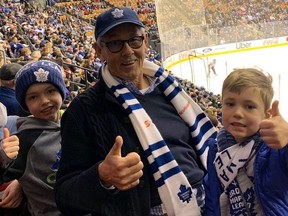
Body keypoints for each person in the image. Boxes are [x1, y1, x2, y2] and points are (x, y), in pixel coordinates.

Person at [55, 7, 217, 216]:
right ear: (98, 50)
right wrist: (101, 177)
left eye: (134, 40)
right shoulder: (84, 110)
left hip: (208, 203)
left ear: (146, 41)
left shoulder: (170, 90)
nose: (128, 51)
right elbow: (64, 195)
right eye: (114, 43)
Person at [204, 68, 288, 215]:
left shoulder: (274, 148)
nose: (237, 113)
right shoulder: (215, 149)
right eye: (230, 104)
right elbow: (212, 198)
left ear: (266, 114)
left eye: (249, 106)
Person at [0, 60, 66, 216]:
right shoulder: (23, 139)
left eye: (50, 91)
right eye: (33, 97)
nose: (44, 101)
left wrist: (21, 183)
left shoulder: (74, 121)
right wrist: (2, 159)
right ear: (25, 104)